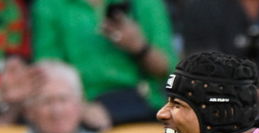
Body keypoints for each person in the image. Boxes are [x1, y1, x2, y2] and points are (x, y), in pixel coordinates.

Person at [30, 0, 174, 126]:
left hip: (144, 103)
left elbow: (167, 70)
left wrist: (139, 47)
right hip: (86, 107)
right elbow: (48, 72)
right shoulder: (49, 5)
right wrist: (81, 108)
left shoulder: (144, 3)